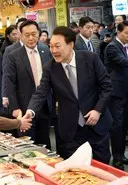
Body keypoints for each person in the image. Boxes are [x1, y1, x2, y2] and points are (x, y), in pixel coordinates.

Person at [24, 26, 113, 164]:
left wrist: (98, 110)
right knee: (75, 170)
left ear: (70, 44)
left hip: (96, 125)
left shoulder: (90, 59)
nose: (53, 51)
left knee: (102, 167)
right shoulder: (50, 67)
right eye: (51, 46)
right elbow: (41, 92)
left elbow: (107, 87)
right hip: (71, 129)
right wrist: (31, 111)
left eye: (57, 46)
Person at [4, 20, 52, 148]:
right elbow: (10, 83)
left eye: (34, 34)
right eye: (27, 35)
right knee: (27, 144)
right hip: (24, 106)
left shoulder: (45, 50)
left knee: (45, 142)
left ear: (39, 34)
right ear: (20, 35)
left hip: (45, 103)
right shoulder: (13, 55)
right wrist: (14, 107)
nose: (31, 38)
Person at [104, 21, 128, 170]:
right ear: (118, 32)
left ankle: (122, 154)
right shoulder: (112, 47)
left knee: (124, 125)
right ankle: (117, 157)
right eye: (126, 33)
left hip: (126, 91)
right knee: (117, 125)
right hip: (117, 93)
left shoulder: (125, 46)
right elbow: (123, 62)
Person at [2, 17, 27, 108]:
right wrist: (5, 95)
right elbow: (6, 74)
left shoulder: (42, 48)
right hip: (19, 93)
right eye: (21, 28)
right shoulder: (10, 50)